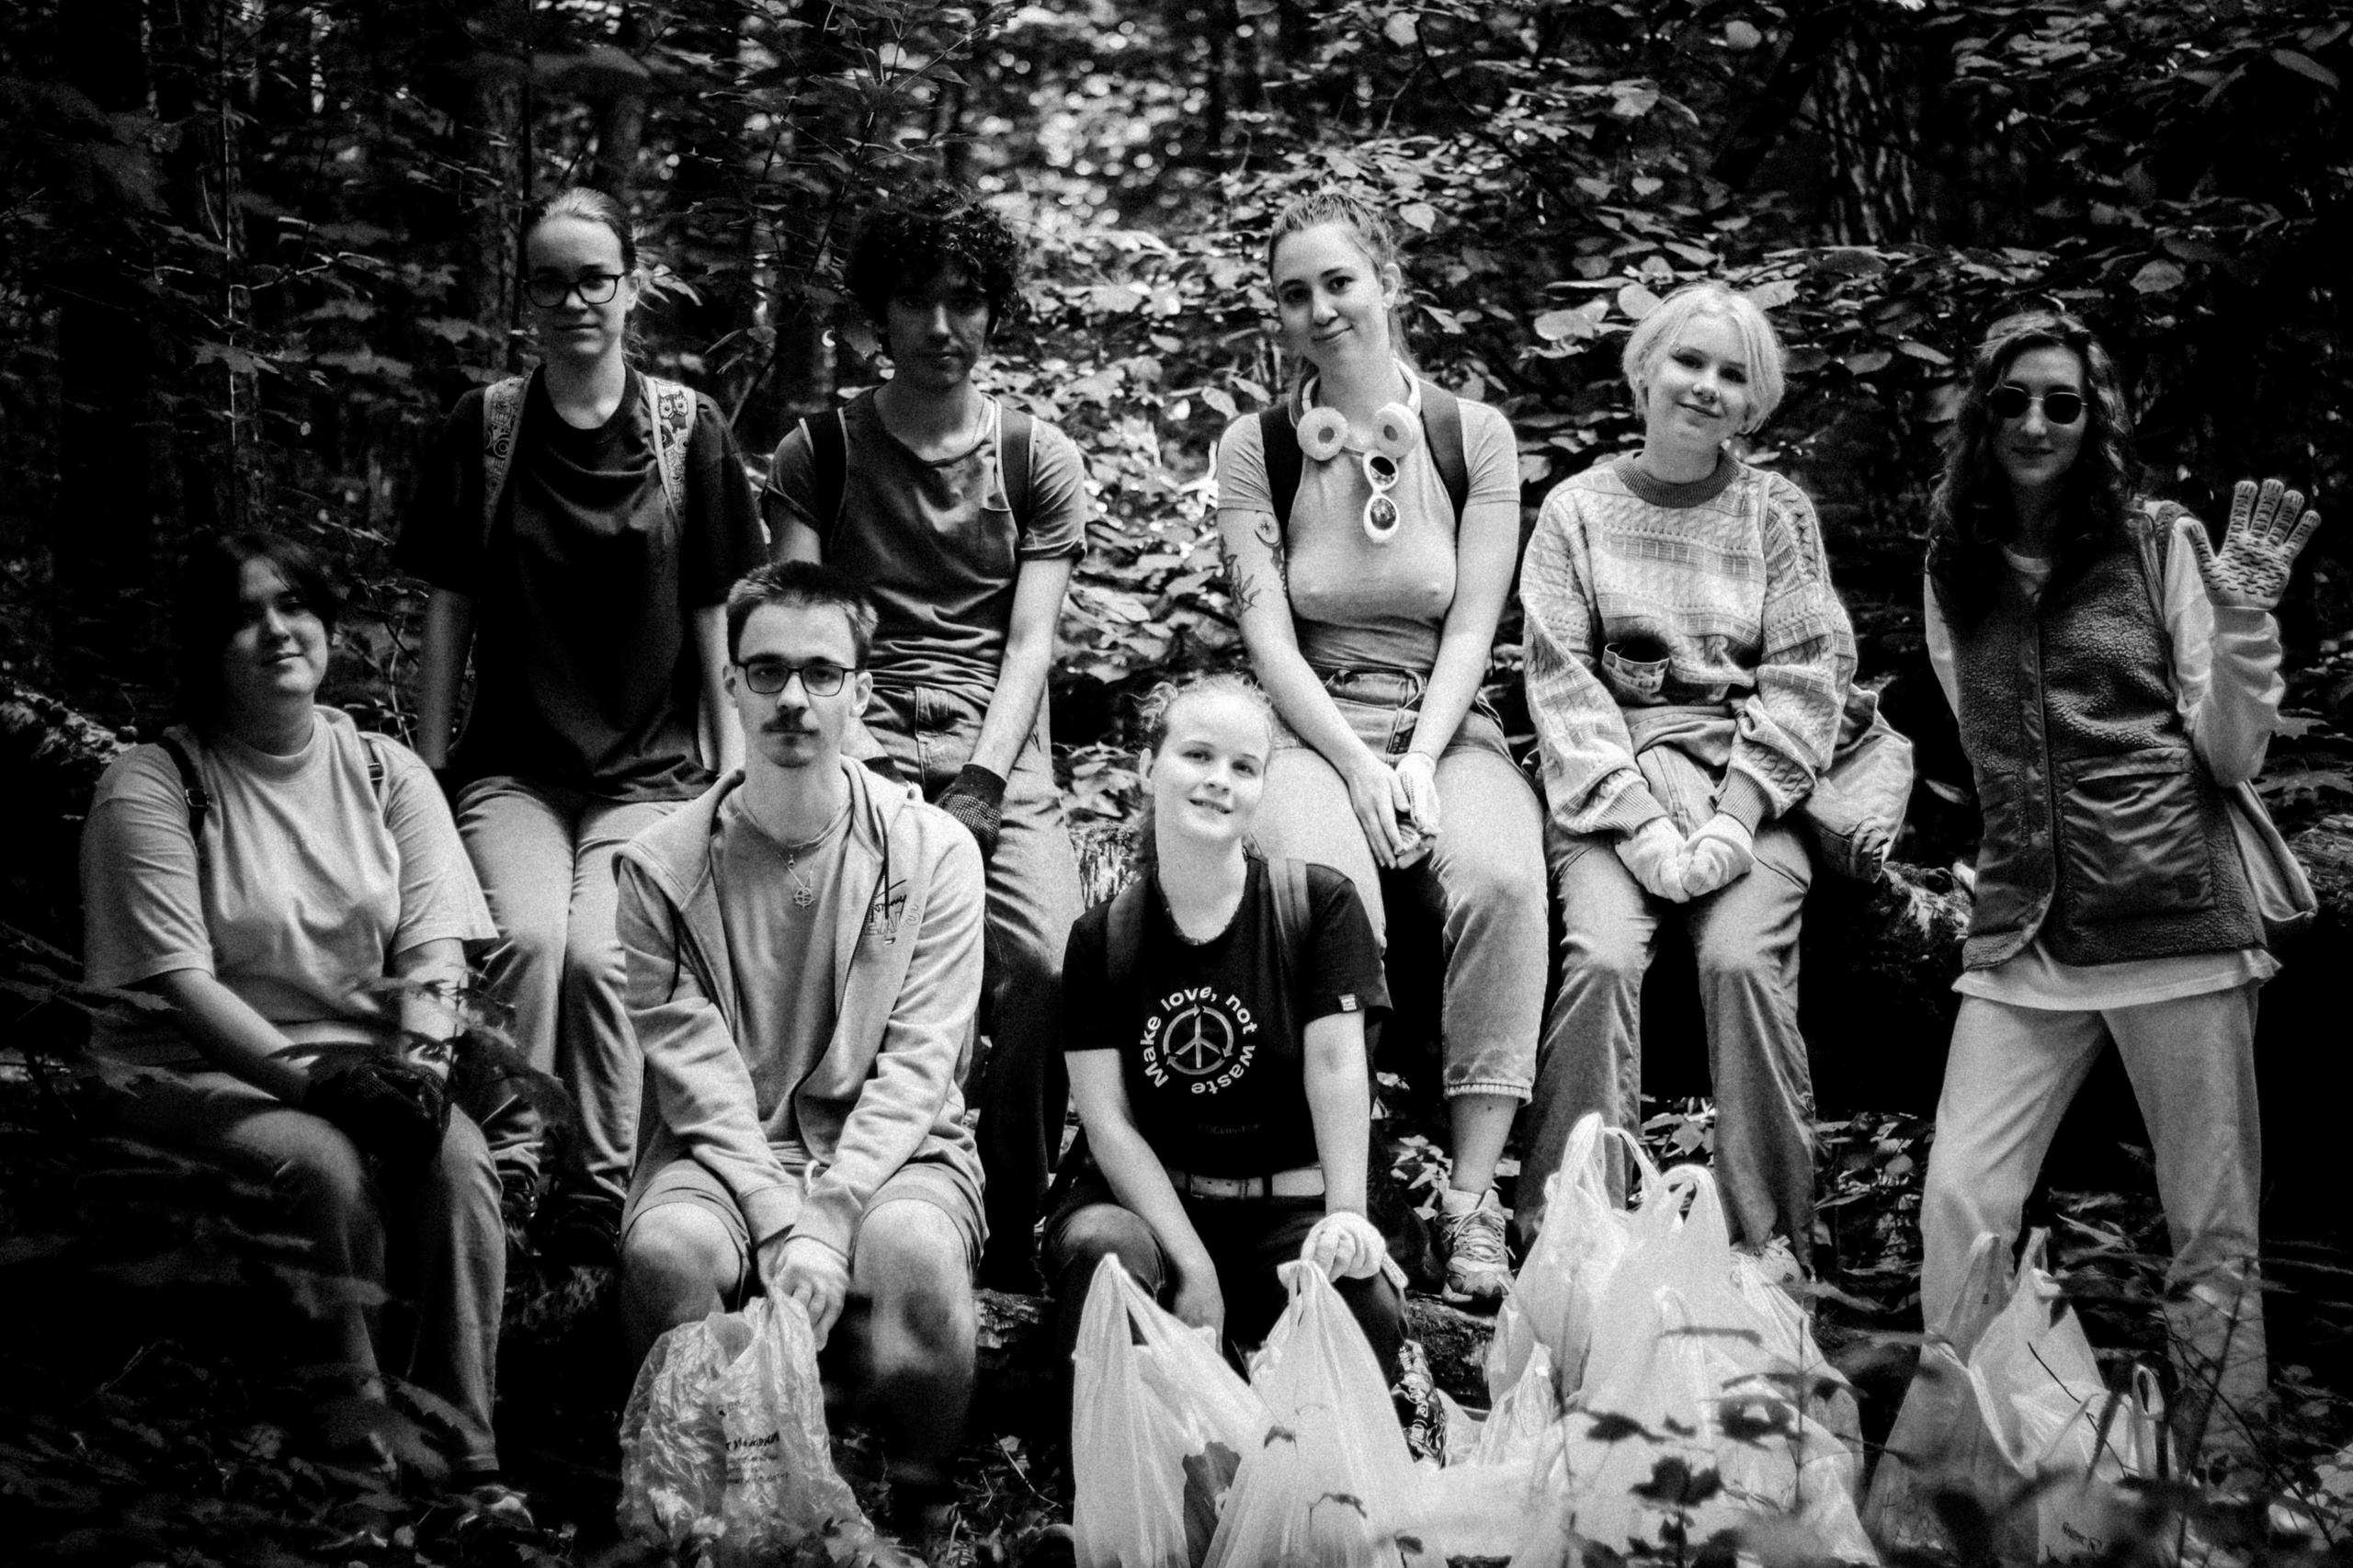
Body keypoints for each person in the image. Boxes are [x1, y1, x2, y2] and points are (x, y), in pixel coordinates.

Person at [1916, 310, 2321, 1465]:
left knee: (2211, 1231)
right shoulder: (1954, 558)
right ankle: (1972, 1468)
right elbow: (1980, 737)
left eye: (2062, 401)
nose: (2036, 421)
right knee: (1961, 1202)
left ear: (2095, 419)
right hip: (2024, 930)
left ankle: (2222, 1476)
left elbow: (2232, 751)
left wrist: (2244, 614)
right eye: (2011, 401)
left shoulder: (2154, 541)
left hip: (2176, 916)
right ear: (1980, 418)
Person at [79, 533, 518, 1512]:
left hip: (363, 1059)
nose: (277, 629)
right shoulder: (153, 783)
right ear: (205, 645)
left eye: (293, 605)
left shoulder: (384, 770)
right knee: (320, 1164)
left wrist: (419, 1069)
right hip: (190, 1074)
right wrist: (317, 1085)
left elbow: (436, 951)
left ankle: (465, 1464)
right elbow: (183, 985)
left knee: (456, 1163)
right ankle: (357, 1478)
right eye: (244, 614)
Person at [397, 187, 767, 1264]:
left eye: (592, 277)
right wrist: (425, 764)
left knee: (608, 960)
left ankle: (596, 1192)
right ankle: (513, 1170)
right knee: (527, 940)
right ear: (528, 294)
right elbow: (449, 603)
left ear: (631, 286)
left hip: (648, 773)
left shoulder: (683, 428)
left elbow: (714, 609)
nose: (573, 300)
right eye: (550, 279)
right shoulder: (488, 425)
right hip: (513, 767)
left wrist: (728, 772)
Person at [1212, 189, 1546, 1307]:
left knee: (1500, 874)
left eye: (1339, 282)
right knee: (1324, 890)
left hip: (1448, 719)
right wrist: (1356, 764)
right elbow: (1267, 633)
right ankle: (1341, 1197)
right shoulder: (1256, 447)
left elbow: (1473, 620)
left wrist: (1417, 756)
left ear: (1387, 282)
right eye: (1295, 294)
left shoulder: (1472, 433)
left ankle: (1471, 1197)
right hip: (1313, 725)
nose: (1320, 309)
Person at [615, 562, 986, 1546]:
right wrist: (785, 1222)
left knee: (912, 1247)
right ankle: (700, 1514)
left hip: (891, 1149)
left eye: (822, 672)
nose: (792, 697)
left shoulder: (933, 850)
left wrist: (833, 1212)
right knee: (666, 1253)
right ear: (729, 683)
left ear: (861, 692)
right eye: (766, 670)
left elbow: (920, 1062)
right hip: (725, 1154)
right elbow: (692, 1077)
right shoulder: (659, 866)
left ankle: (922, 1505)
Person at [763, 184, 1090, 1291]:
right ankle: (848, 1201)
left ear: (995, 313)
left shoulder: (1033, 457)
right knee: (866, 947)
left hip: (998, 732)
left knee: (1044, 961)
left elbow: (1031, 643)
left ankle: (1007, 1210)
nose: (941, 328)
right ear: (876, 316)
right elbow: (802, 624)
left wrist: (988, 785)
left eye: (965, 302)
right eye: (916, 302)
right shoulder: (821, 451)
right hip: (859, 722)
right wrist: (860, 779)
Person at [1518, 280, 1855, 1267]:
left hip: (1744, 780)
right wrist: (1641, 825)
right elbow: (1561, 681)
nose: (1704, 387)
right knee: (1603, 957)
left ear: (1753, 403)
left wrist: (1733, 820)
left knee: (1740, 960)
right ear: (1644, 369)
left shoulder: (1772, 512)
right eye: (1688, 362)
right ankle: (1576, 1240)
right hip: (1610, 789)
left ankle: (1770, 1251)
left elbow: (1806, 672)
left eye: (1731, 374)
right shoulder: (1575, 508)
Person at [1041, 674, 1405, 1392]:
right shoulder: (1101, 938)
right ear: (1149, 768)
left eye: (1244, 767)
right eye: (1198, 756)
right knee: (1104, 1258)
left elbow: (1336, 1071)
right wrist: (1195, 1268)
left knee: (1361, 1302)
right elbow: (1108, 1123)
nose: (1219, 781)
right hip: (1149, 1210)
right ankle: (1100, 1493)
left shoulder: (1320, 905)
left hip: (1285, 1207)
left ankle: (1312, 1497)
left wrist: (1345, 1220)